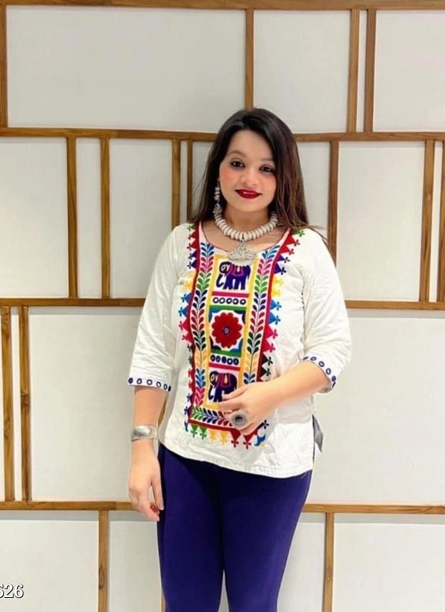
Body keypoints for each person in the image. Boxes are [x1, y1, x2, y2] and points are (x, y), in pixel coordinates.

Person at [127, 108, 351, 612]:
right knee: (185, 601)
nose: (250, 178)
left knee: (254, 603)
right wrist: (143, 448)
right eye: (237, 163)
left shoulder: (306, 250)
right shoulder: (183, 244)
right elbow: (154, 349)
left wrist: (270, 394)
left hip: (273, 465)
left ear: (284, 176)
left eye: (267, 168)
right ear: (218, 169)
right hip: (186, 458)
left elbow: (333, 349)